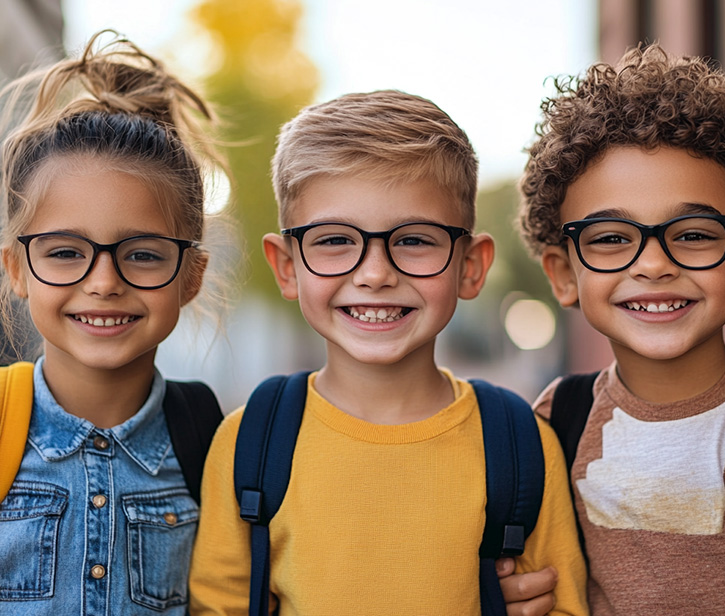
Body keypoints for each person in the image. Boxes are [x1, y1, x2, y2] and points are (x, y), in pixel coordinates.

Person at [188, 89, 588, 616]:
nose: (375, 273)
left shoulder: (518, 443)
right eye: (333, 241)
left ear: (471, 266)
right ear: (287, 266)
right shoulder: (250, 441)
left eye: (415, 240)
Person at [515, 43, 725, 614]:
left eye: (694, 233)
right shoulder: (553, 424)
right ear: (563, 275)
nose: (653, 263)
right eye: (611, 239)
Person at [0, 30, 227, 615]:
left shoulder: (220, 450)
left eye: (143, 253)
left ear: (192, 275)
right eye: (65, 252)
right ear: (17, 270)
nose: (104, 281)